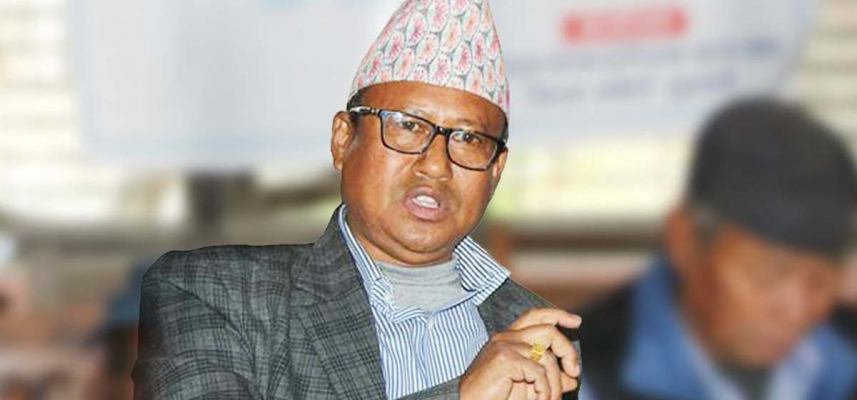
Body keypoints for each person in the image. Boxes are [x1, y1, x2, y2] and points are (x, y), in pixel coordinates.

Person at [133, 1, 582, 399]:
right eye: (407, 126)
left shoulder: (538, 335)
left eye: (468, 139)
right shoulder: (214, 291)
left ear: (496, 170)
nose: (436, 166)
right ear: (343, 140)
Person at [577, 99, 857, 400]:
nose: (796, 310)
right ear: (685, 242)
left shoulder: (841, 352)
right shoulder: (575, 375)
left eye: (820, 281)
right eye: (768, 274)